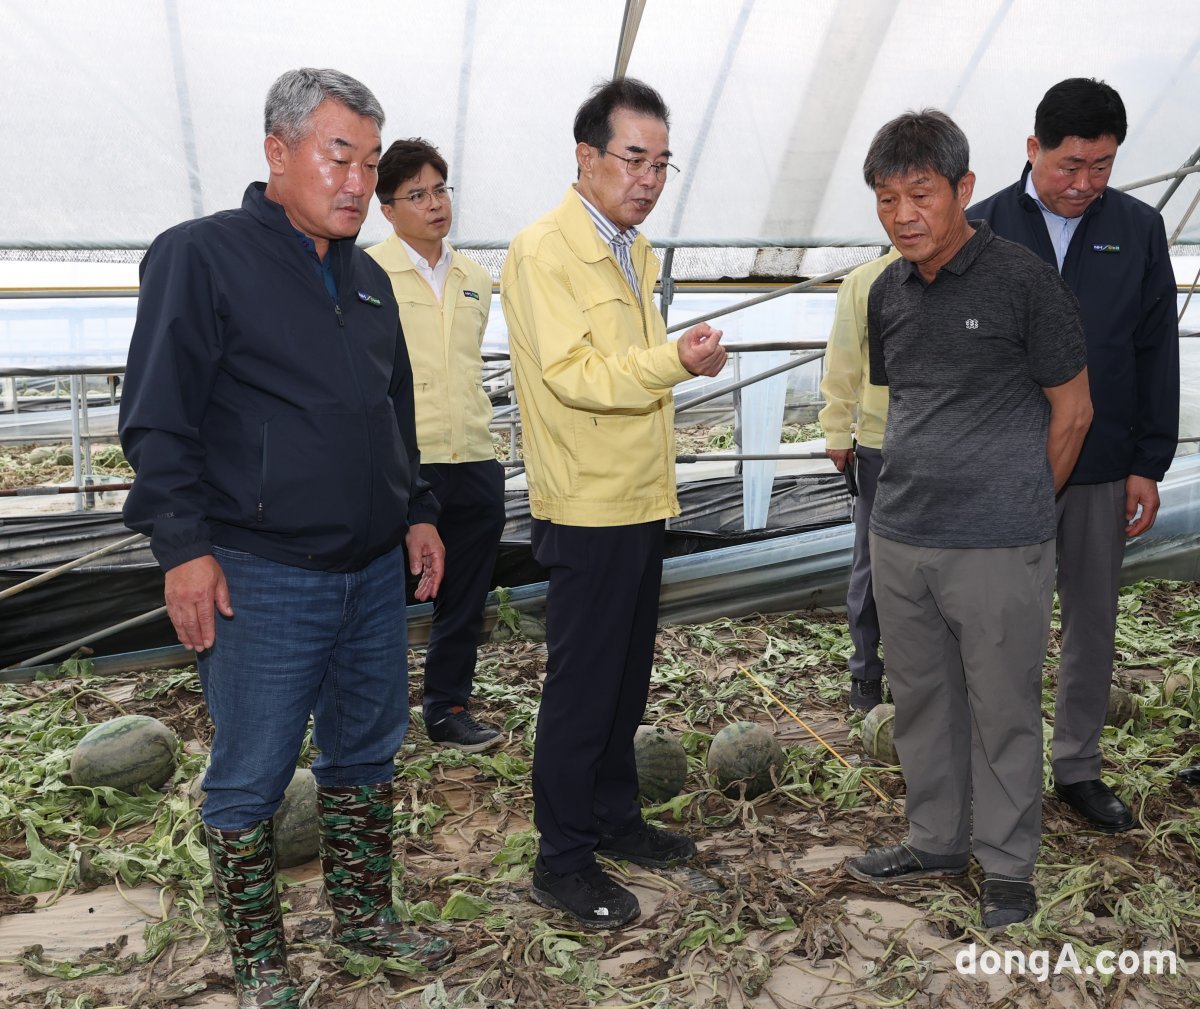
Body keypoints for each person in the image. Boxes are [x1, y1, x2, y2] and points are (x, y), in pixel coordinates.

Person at [119, 69, 453, 1005]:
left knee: (365, 754)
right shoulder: (201, 257)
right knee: (253, 772)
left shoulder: (372, 280)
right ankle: (262, 960)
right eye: (336, 154)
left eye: (370, 162)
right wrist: (182, 547)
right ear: (278, 151)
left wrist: (417, 509)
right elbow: (156, 419)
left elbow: (393, 413)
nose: (357, 181)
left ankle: (362, 919)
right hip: (260, 574)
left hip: (368, 570)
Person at [845, 110, 1093, 930]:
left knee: (1004, 704)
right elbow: (909, 404)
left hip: (997, 543)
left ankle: (1010, 862)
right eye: (886, 198)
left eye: (921, 193)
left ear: (964, 190)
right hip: (902, 531)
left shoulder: (1022, 280)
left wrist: (1022, 499)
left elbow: (1074, 411)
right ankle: (936, 838)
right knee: (921, 700)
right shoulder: (887, 291)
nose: (903, 214)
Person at [500, 78, 727, 929]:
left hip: (637, 496)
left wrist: (672, 357)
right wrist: (675, 361)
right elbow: (576, 377)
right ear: (587, 156)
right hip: (588, 503)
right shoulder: (544, 251)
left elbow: (627, 367)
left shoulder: (633, 249)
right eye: (635, 159)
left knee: (626, 682)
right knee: (583, 690)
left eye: (663, 164)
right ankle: (562, 861)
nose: (649, 178)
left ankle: (614, 816)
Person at [969, 78, 1180, 833]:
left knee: (1091, 619)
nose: (1085, 184)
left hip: (1099, 463)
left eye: (1103, 166)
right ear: (1033, 150)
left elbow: (1155, 348)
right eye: (1071, 166)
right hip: (1006, 467)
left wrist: (1148, 461)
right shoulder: (980, 228)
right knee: (1000, 622)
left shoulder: (1138, 228)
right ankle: (1001, 765)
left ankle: (1079, 767)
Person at [367, 139, 506, 753]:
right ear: (387, 209)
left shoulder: (476, 276)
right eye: (417, 194)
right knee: (381, 592)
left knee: (465, 593)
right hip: (403, 461)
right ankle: (370, 717)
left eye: (441, 190)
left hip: (473, 454)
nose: (434, 204)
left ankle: (447, 707)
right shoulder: (367, 272)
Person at [818, 249, 902, 712]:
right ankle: (866, 672)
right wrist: (837, 427)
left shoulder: (963, 274)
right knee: (871, 561)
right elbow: (844, 360)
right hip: (880, 441)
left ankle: (922, 673)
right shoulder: (867, 281)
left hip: (947, 443)